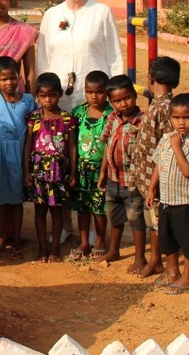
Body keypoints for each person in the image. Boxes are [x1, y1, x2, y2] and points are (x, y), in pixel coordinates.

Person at [36, 0, 123, 113]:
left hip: (95, 95)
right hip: (59, 95)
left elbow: (114, 56)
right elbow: (43, 60)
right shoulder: (51, 15)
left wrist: (115, 91)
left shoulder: (101, 11)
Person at [145, 93, 189, 294]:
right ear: (170, 118)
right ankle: (172, 273)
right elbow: (158, 163)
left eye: (187, 117)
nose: (181, 123)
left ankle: (188, 278)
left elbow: (188, 172)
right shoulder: (166, 139)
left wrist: (176, 147)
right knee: (168, 238)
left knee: (188, 240)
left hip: (186, 202)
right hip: (166, 200)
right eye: (176, 118)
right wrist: (151, 188)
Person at [129, 56, 181, 278]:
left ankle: (159, 262)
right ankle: (156, 260)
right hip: (152, 176)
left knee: (159, 222)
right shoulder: (162, 105)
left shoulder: (163, 108)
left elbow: (167, 144)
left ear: (150, 78)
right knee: (155, 220)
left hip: (157, 178)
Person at [0, 56, 35, 261]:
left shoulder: (28, 101)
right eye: (4, 79)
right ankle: (1, 237)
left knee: (16, 197)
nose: (9, 83)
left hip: (19, 151)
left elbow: (33, 129)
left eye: (13, 78)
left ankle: (16, 237)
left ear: (19, 78)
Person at [24, 72, 76, 263]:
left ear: (60, 94)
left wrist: (72, 172)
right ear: (37, 96)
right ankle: (42, 248)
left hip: (59, 171)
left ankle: (54, 248)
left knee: (57, 210)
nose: (48, 100)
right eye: (43, 96)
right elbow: (28, 145)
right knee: (39, 210)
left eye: (52, 95)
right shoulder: (34, 118)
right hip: (38, 171)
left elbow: (72, 147)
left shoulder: (67, 119)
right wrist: (27, 171)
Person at [97, 75, 146, 272]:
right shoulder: (112, 118)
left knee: (136, 219)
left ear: (134, 95)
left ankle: (140, 258)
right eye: (117, 101)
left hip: (133, 180)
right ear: (111, 102)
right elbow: (107, 144)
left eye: (127, 98)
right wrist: (102, 172)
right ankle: (114, 250)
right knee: (114, 217)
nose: (123, 104)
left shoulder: (142, 122)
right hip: (113, 178)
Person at [70, 70, 112, 258]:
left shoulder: (112, 115)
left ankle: (101, 240)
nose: (94, 96)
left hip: (101, 169)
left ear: (107, 92)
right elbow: (72, 142)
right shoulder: (78, 112)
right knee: (82, 207)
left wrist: (104, 170)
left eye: (99, 92)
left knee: (99, 207)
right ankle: (84, 242)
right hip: (81, 168)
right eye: (89, 92)